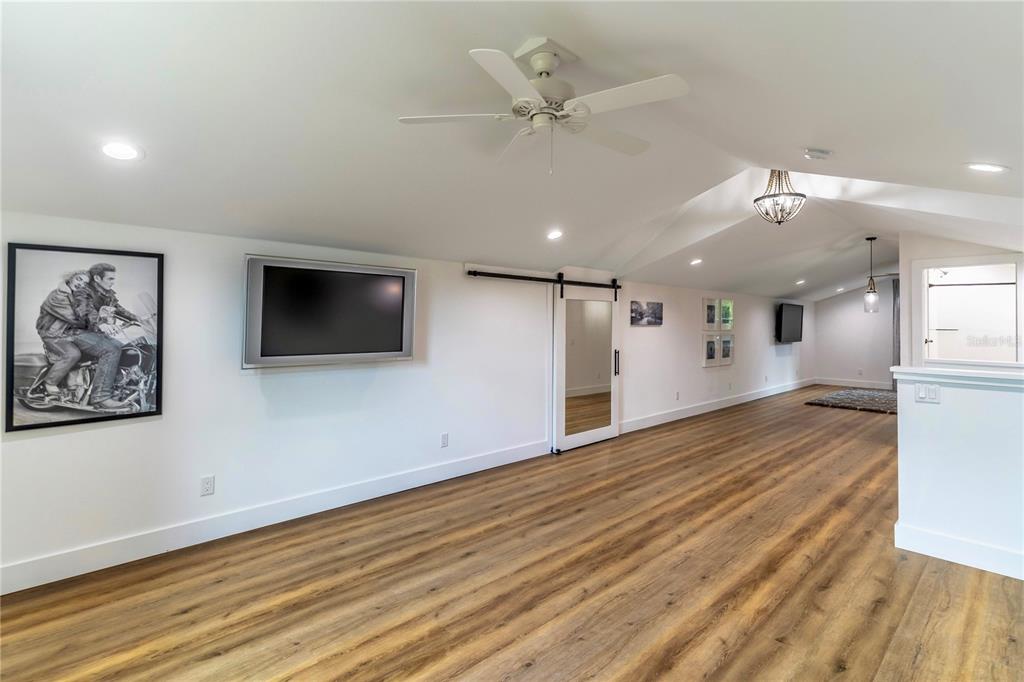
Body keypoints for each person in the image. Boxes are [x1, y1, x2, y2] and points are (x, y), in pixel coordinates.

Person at [35, 270, 127, 409]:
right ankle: (51, 383)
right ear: (70, 278)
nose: (80, 284)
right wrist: (101, 323)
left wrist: (109, 319)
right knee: (75, 354)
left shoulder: (77, 296)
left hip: (71, 332)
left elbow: (88, 313)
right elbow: (75, 318)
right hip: (55, 334)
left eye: (84, 283)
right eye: (78, 279)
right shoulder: (58, 296)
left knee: (117, 345)